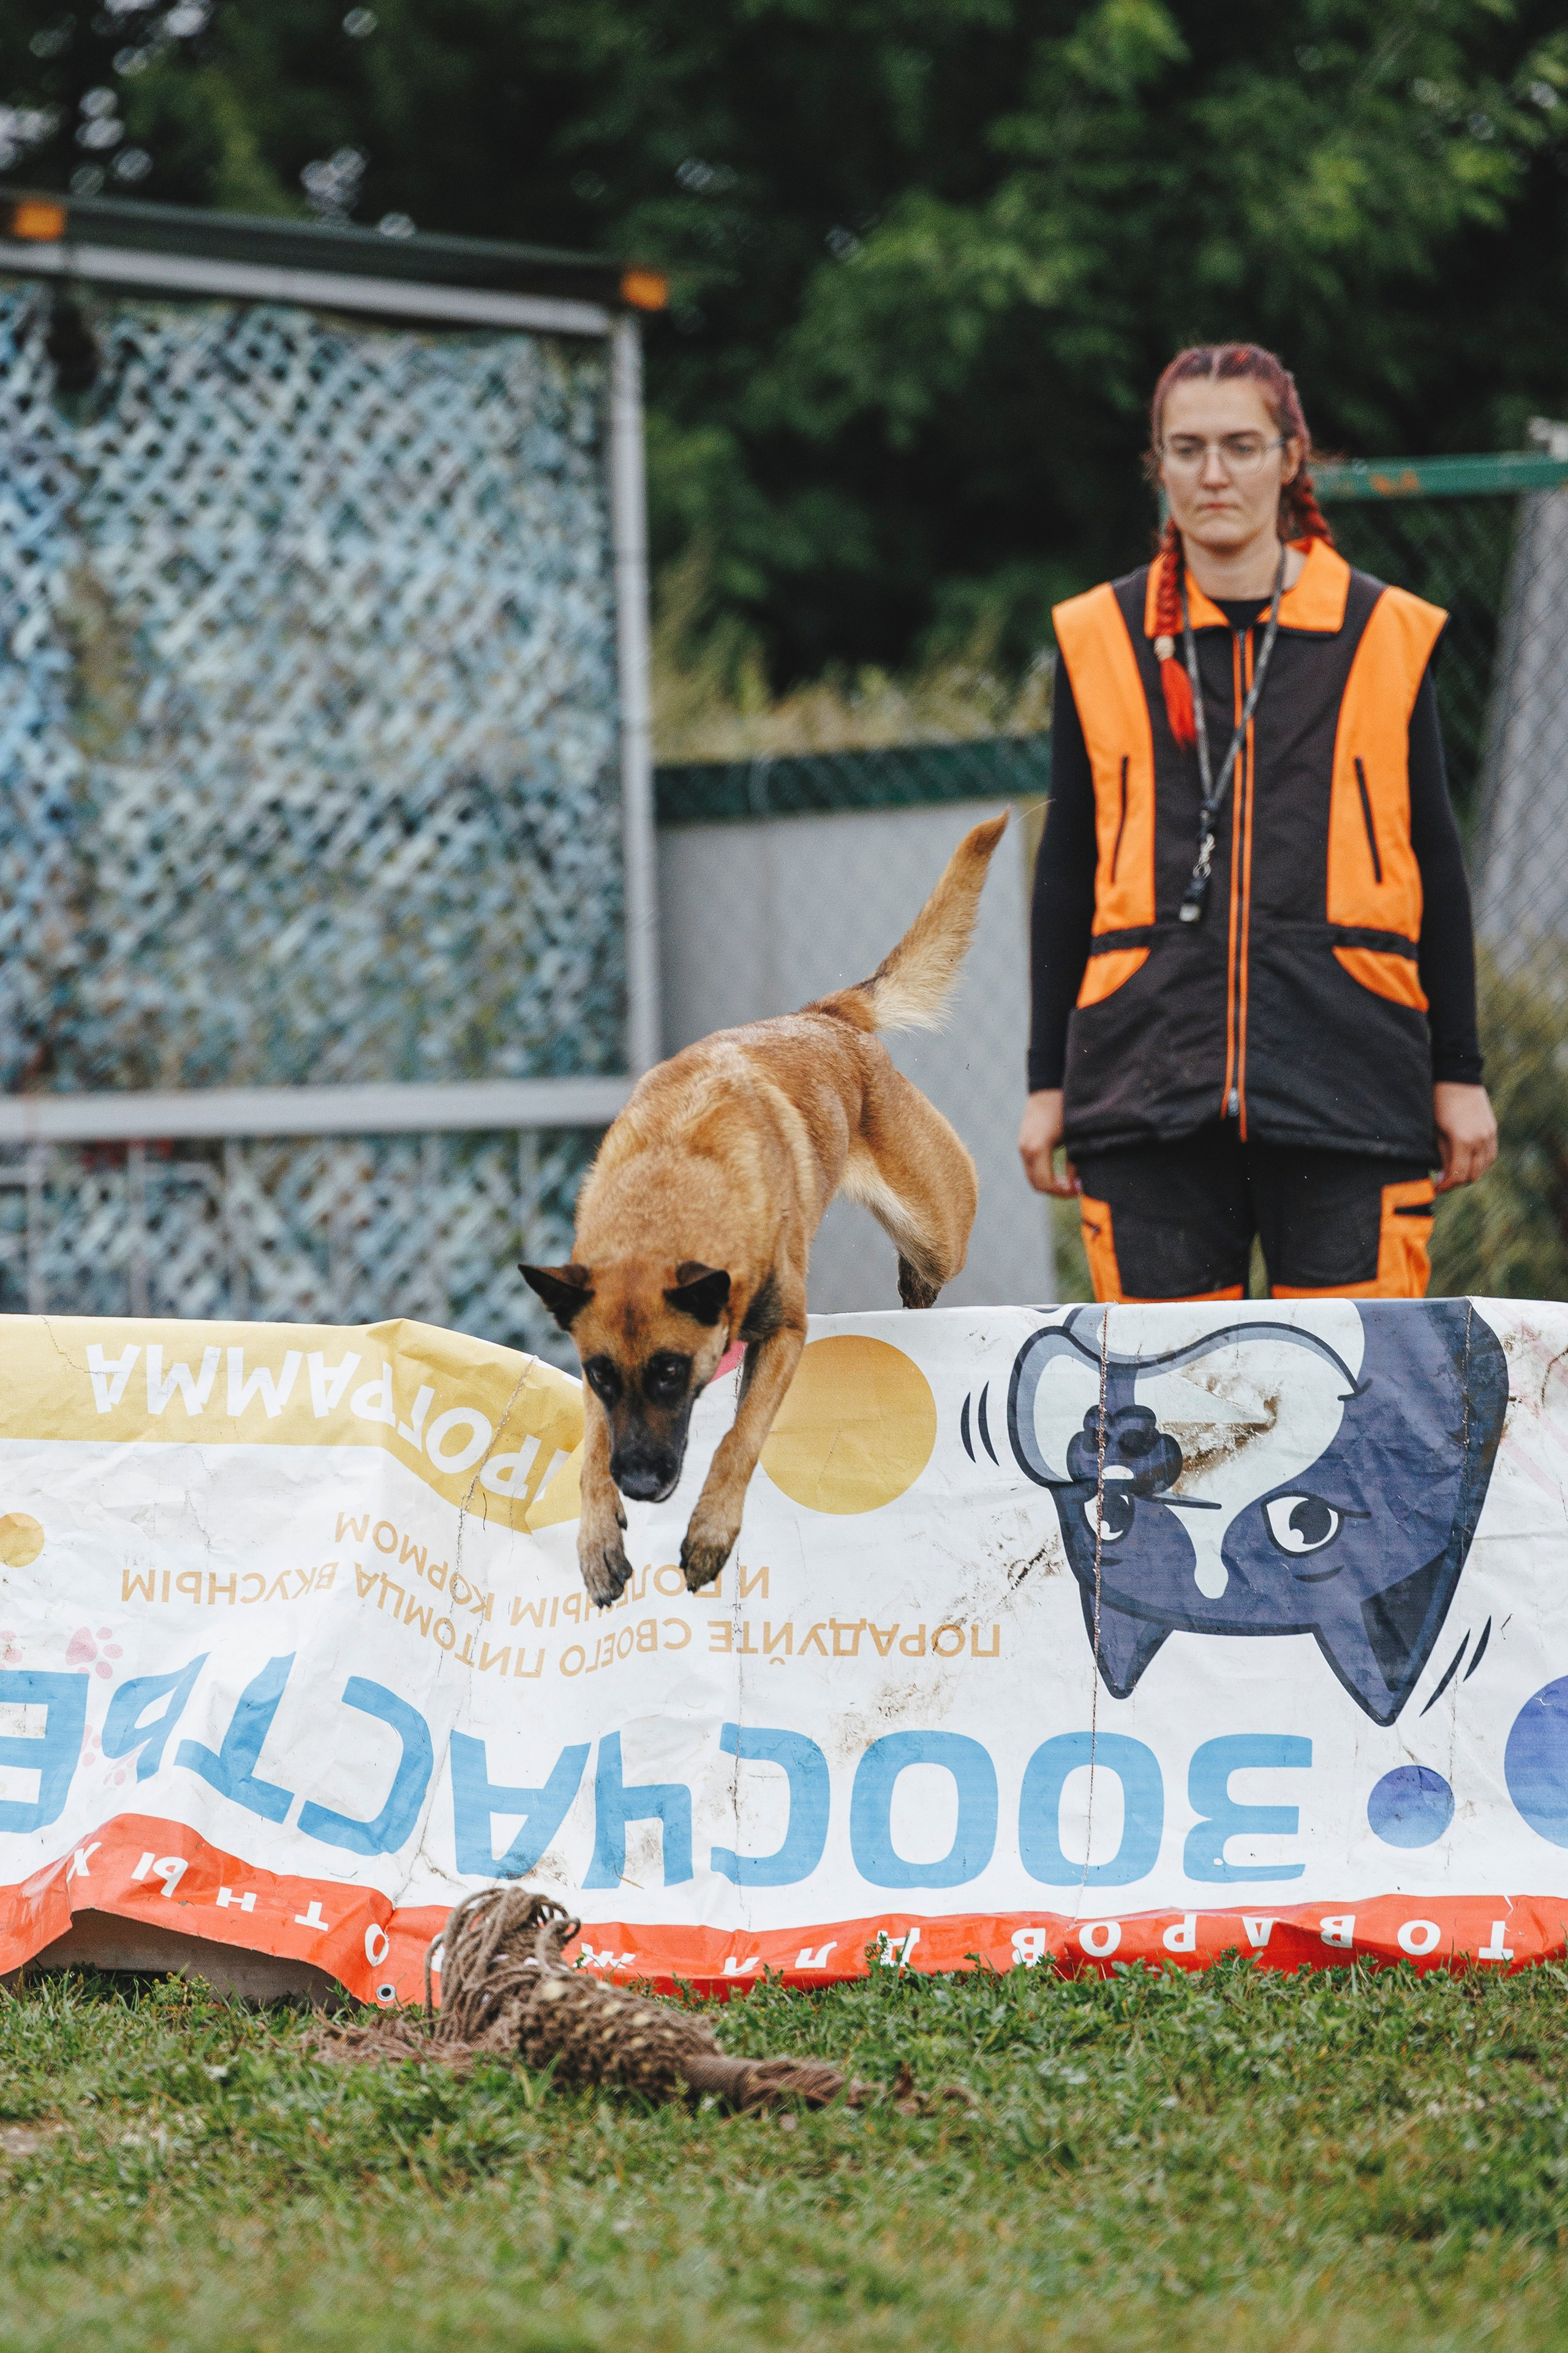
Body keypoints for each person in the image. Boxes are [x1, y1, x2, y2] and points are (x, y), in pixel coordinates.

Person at [1017, 342, 1496, 1302]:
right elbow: (1068, 867)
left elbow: (1434, 862)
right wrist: (1045, 1079)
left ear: (1290, 456)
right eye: (1186, 448)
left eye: (1240, 444)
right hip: (1144, 1089)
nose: (1213, 473)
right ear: (1158, 466)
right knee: (1172, 1435)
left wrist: (1460, 1070)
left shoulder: (1386, 634)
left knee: (1360, 1421)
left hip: (1353, 1088)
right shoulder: (1099, 639)